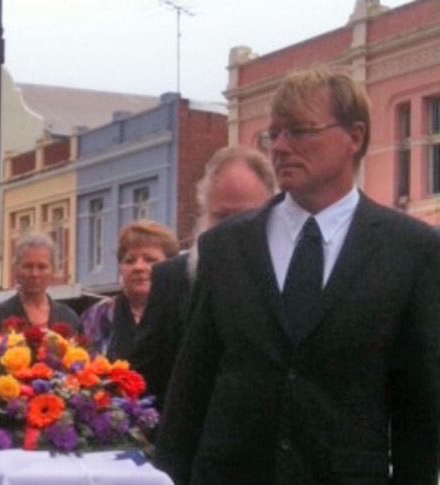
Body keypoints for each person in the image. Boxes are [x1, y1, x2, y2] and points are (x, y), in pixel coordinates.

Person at [153, 68, 440, 484]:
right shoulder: (226, 248)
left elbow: (420, 408)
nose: (281, 147)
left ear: (354, 138)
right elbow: (190, 392)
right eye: (275, 134)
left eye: (300, 131)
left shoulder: (410, 250)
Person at [133, 146, 275, 406]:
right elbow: (144, 380)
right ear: (204, 212)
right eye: (221, 217)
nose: (231, 230)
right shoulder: (171, 280)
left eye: (244, 216)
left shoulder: (292, 282)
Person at [80, 220, 179, 360]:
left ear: (172, 265)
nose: (138, 267)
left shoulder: (184, 312)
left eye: (150, 260)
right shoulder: (97, 316)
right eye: (130, 261)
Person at [0, 232, 80, 333]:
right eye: (28, 266)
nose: (35, 274)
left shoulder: (68, 318)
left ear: (53, 270)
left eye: (42, 267)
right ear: (16, 269)